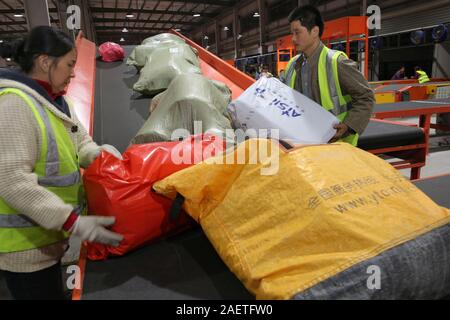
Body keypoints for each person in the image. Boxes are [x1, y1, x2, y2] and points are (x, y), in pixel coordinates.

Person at [0, 26, 124, 300]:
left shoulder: (58, 102)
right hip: (24, 250)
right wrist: (73, 222)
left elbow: (80, 142)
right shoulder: (14, 105)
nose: (72, 73)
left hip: (49, 240)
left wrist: (96, 153)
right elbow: (11, 181)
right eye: (69, 64)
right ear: (45, 62)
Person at [283, 5, 375, 146]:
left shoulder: (336, 62)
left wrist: (349, 125)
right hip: (303, 143)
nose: (293, 39)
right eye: (292, 33)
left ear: (314, 31)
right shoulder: (292, 65)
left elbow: (366, 97)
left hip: (336, 144)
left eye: (297, 32)